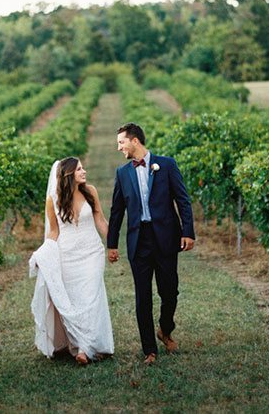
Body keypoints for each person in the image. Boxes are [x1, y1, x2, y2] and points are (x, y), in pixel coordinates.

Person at [108, 123, 195, 365]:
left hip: (166, 238)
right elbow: (117, 212)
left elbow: (183, 200)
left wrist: (188, 232)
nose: (118, 148)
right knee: (142, 296)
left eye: (121, 142)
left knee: (170, 291)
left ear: (134, 141)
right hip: (138, 241)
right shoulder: (122, 173)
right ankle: (150, 349)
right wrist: (112, 244)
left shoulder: (166, 165)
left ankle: (165, 329)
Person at [29, 157, 114, 364]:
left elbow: (100, 220)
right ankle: (80, 344)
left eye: (83, 168)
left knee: (91, 298)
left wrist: (113, 244)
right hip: (67, 255)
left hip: (92, 252)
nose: (84, 172)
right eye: (79, 169)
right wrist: (44, 254)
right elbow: (54, 232)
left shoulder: (90, 191)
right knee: (75, 301)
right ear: (68, 175)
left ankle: (85, 348)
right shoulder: (53, 200)